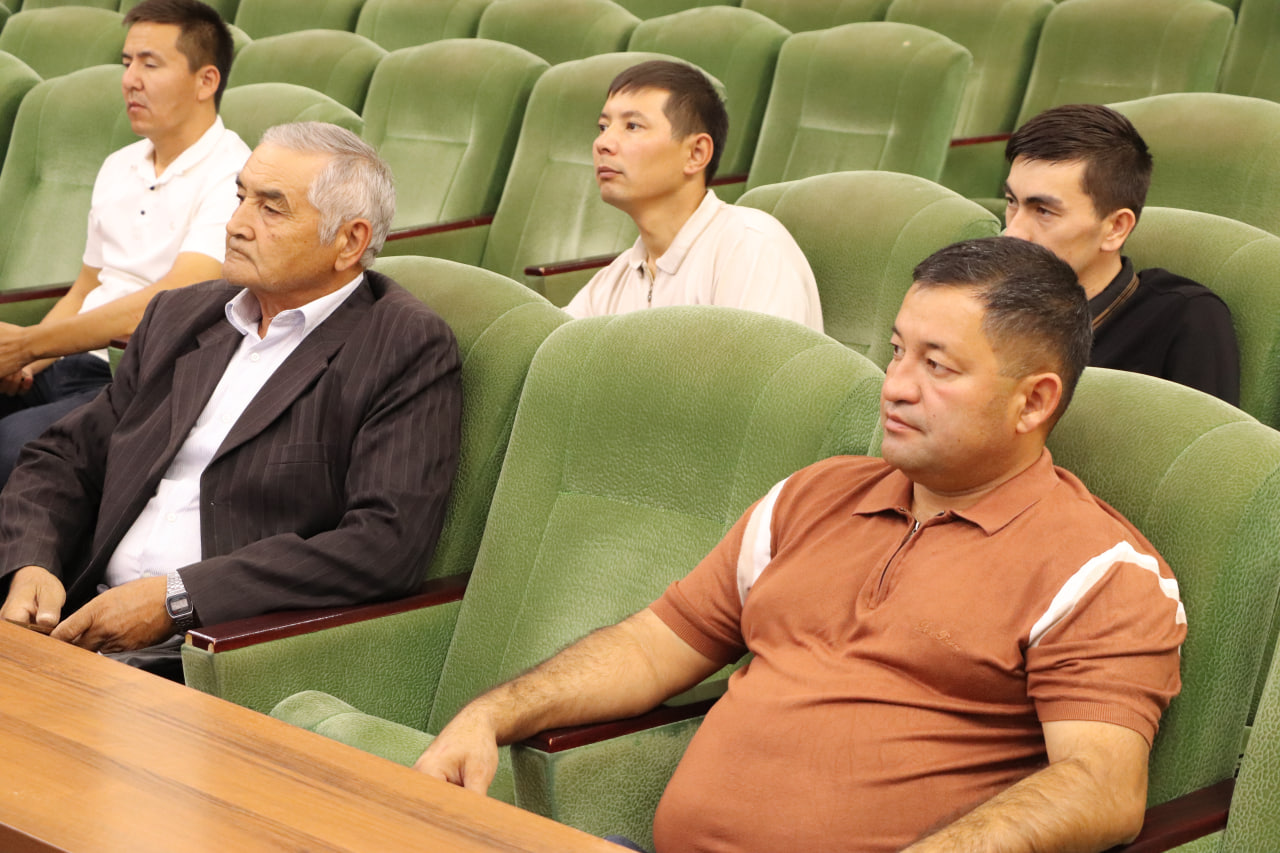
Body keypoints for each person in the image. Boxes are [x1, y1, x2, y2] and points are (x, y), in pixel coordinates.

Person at [415, 237, 1185, 853]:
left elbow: (1102, 786)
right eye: (897, 351)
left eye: (937, 365)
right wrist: (491, 714)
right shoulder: (814, 495)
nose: (896, 385)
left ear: (1034, 401)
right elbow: (651, 646)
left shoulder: (1098, 568)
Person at [0, 122, 461, 681]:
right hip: (74, 619)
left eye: (272, 209)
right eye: (241, 197)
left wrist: (178, 599)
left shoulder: (402, 345)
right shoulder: (180, 316)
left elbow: (384, 544)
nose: (237, 224)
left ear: (349, 242)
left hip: (211, 654)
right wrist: (33, 562)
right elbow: (65, 457)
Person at [0, 0, 252, 484]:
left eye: (150, 64)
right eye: (126, 62)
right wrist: (26, 363)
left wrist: (27, 344)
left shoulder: (235, 176)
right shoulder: (119, 164)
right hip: (70, 362)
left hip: (140, 378)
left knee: (17, 446)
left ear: (206, 81)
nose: (130, 80)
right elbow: (85, 288)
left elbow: (170, 302)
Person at [1002, 103, 1240, 404]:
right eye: (1011, 201)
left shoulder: (1186, 320)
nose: (1012, 232)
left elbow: (1206, 434)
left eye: (1044, 211)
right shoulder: (985, 298)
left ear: (1115, 228)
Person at [565, 60, 823, 332]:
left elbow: (763, 360)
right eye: (603, 127)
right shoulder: (614, 280)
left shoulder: (751, 249)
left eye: (632, 126)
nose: (603, 143)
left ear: (696, 153)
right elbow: (553, 348)